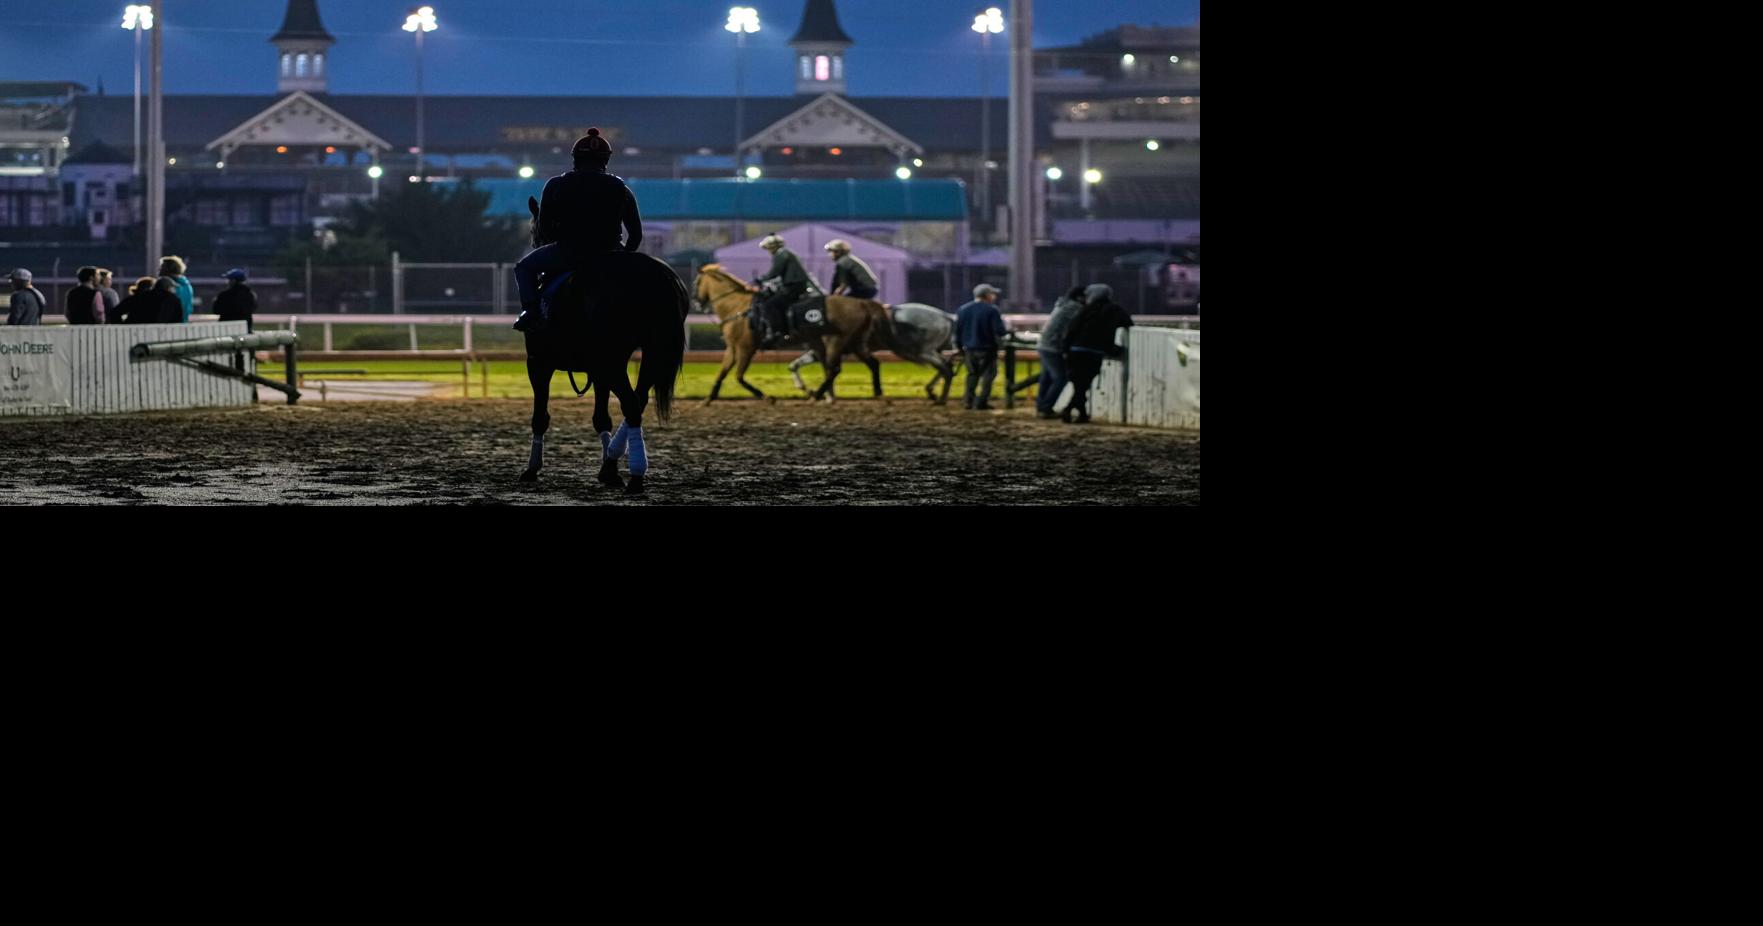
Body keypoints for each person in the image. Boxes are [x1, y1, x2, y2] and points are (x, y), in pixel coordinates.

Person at [513, 127, 643, 333]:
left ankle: (530, 312)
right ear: (605, 160)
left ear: (575, 159)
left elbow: (545, 228)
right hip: (610, 254)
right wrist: (624, 257)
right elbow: (635, 235)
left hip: (568, 252)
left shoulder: (555, 185)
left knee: (523, 268)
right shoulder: (621, 188)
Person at [1062, 282, 1133, 424]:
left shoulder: (1086, 310)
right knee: (1084, 384)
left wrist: (1065, 349)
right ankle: (1074, 411)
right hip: (1095, 352)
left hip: (1076, 350)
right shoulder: (1114, 310)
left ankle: (1076, 412)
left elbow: (1072, 329)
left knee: (1079, 384)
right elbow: (1128, 322)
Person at [750, 233, 811, 348]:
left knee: (769, 305)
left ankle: (777, 331)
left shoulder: (781, 254)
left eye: (768, 248)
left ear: (772, 246)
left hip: (793, 287)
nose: (768, 250)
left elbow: (775, 272)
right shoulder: (786, 253)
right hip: (795, 285)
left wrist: (760, 280)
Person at [955, 283, 1008, 411]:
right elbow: (1000, 331)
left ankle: (968, 400)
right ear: (987, 295)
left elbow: (957, 331)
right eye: (992, 294)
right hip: (987, 349)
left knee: (972, 374)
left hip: (969, 349)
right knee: (988, 376)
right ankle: (981, 402)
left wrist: (959, 347)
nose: (994, 296)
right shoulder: (992, 310)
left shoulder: (963, 309)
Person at [1036, 286, 1086, 419]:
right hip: (1053, 346)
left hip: (1044, 344)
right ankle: (1046, 408)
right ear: (1080, 297)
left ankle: (1042, 407)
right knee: (1061, 378)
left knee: (1046, 378)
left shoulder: (1062, 305)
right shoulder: (1074, 308)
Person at [159, 256, 194, 321]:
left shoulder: (168, 285)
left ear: (167, 269)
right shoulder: (187, 285)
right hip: (183, 321)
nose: (159, 270)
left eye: (162, 267)